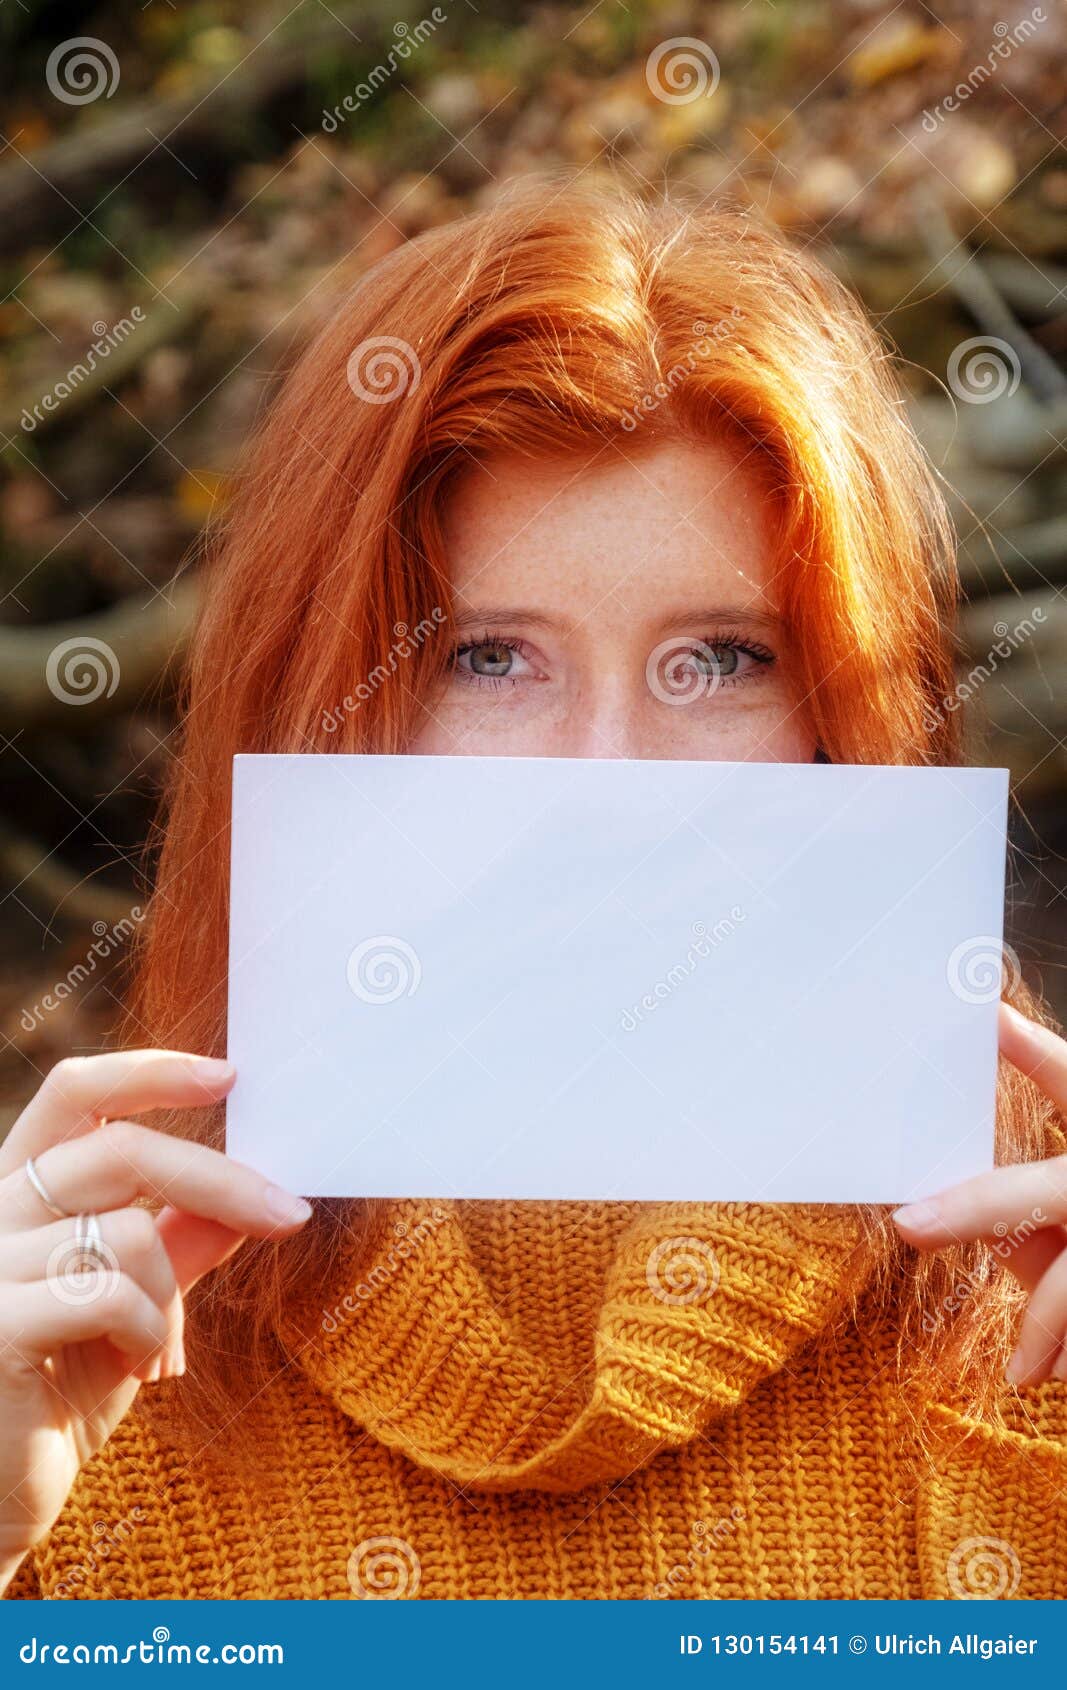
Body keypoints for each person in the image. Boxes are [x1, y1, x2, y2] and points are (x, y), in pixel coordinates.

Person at [2, 178, 1065, 1602]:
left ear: (846, 715)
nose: (605, 780)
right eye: (490, 654)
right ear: (325, 690)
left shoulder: (1026, 1288)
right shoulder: (91, 1335)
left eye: (723, 659)